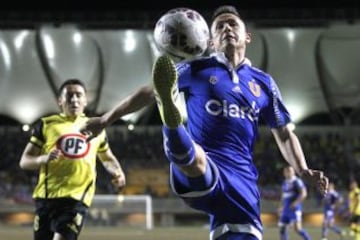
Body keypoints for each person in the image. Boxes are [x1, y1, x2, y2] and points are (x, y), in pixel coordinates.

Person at [80, 5, 329, 240]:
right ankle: (172, 119)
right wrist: (105, 119)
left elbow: (284, 134)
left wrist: (302, 169)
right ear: (210, 42)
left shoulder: (264, 83)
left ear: (247, 36)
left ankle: (172, 118)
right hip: (203, 165)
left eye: (232, 24)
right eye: (219, 27)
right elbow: (149, 92)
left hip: (242, 180)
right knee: (195, 158)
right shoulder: (197, 69)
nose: (227, 29)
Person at [19, 78, 126, 240]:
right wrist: (43, 159)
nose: (74, 100)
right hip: (46, 198)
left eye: (78, 95)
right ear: (60, 100)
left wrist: (118, 172)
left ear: (85, 100)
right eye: (69, 95)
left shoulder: (95, 127)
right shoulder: (46, 125)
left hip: (76, 199)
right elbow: (24, 161)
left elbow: (107, 158)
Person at [277, 166, 311, 240]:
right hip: (285, 209)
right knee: (282, 229)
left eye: (289, 171)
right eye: (286, 171)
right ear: (284, 173)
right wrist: (280, 206)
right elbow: (283, 196)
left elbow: (304, 193)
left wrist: (296, 202)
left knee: (298, 229)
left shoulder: (296, 181)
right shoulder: (284, 182)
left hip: (294, 209)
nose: (288, 173)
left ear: (293, 172)